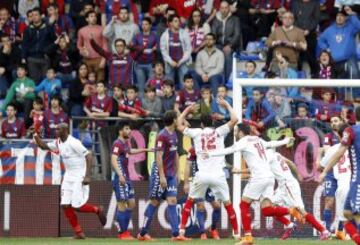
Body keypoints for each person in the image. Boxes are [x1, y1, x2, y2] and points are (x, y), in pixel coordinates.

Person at [203, 123, 301, 245]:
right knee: (267, 210)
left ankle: (248, 237)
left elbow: (229, 150)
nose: (234, 134)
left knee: (243, 205)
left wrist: (210, 153)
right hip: (270, 178)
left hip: (258, 178)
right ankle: (291, 211)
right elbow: (271, 144)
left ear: (241, 132)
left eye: (235, 131)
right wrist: (286, 140)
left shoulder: (243, 141)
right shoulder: (257, 139)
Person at [177, 99, 240, 239]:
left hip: (202, 175)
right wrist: (227, 105)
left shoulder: (197, 133)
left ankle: (181, 232)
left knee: (190, 201)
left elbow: (179, 125)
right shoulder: (219, 132)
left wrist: (187, 110)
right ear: (213, 122)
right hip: (218, 175)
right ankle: (237, 234)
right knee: (228, 204)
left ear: (201, 124)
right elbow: (235, 119)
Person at [33, 123, 107, 239]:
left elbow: (89, 155)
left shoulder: (74, 142)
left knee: (76, 206)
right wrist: (35, 135)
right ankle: (79, 233)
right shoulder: (58, 142)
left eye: (59, 129)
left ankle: (97, 210)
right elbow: (43, 146)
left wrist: (87, 176)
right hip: (68, 176)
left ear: (66, 130)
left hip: (79, 175)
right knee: (65, 205)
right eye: (56, 129)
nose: (56, 131)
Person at [137, 110, 190, 241]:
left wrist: (178, 172)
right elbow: (158, 156)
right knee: (154, 201)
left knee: (173, 201)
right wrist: (161, 176)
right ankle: (142, 233)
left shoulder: (174, 134)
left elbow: (176, 154)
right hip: (160, 173)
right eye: (177, 118)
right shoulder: (162, 135)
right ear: (173, 120)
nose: (179, 119)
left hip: (171, 174)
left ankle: (176, 234)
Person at [319, 106, 360, 245]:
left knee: (351, 214)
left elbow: (323, 163)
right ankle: (339, 232)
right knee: (347, 214)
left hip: (353, 182)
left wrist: (324, 171)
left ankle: (333, 231)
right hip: (350, 182)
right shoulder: (340, 142)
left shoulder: (346, 138)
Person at [268, 149, 330, 240]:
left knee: (301, 211)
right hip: (283, 186)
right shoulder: (277, 154)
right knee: (269, 207)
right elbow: (291, 163)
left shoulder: (266, 157)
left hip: (288, 185)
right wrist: (298, 175)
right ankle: (289, 225)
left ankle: (324, 231)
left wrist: (242, 172)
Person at [111, 122, 151, 240]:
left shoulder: (125, 143)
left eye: (129, 128)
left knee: (131, 203)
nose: (129, 131)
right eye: (126, 129)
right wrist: (120, 175)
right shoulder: (117, 144)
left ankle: (123, 228)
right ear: (120, 131)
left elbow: (130, 151)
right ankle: (122, 233)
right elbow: (113, 159)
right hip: (120, 178)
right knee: (122, 204)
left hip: (127, 178)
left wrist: (146, 149)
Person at [319, 123, 351, 240]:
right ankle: (331, 231)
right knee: (347, 209)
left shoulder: (333, 149)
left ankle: (341, 231)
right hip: (349, 181)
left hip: (343, 180)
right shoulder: (354, 146)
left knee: (344, 209)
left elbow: (321, 165)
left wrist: (322, 171)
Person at [183, 147, 222, 240]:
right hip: (198, 181)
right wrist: (186, 183)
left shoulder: (213, 147)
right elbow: (187, 165)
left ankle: (213, 229)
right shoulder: (193, 149)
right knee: (200, 206)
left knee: (217, 206)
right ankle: (202, 232)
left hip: (210, 181)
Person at [316, 115, 344, 233]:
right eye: (332, 121)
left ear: (341, 122)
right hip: (331, 172)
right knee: (329, 200)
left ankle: (341, 231)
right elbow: (328, 152)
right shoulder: (328, 137)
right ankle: (326, 231)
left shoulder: (347, 136)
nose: (333, 123)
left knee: (344, 201)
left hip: (344, 172)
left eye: (336, 121)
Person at [318, 7, 360, 80]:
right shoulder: (329, 30)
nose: (339, 17)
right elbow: (320, 40)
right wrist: (326, 48)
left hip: (349, 59)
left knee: (354, 75)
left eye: (342, 16)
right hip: (334, 61)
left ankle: (356, 92)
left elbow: (359, 26)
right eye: (338, 16)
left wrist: (352, 15)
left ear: (346, 18)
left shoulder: (350, 28)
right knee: (337, 83)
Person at [22, 7, 56, 84]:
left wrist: (50, 25)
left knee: (47, 81)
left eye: (36, 15)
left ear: (41, 16)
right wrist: (23, 57)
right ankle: (36, 96)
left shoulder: (48, 27)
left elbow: (54, 41)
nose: (34, 17)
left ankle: (46, 96)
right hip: (32, 58)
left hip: (45, 58)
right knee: (34, 81)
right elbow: (24, 44)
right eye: (32, 15)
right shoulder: (28, 29)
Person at [211, 0, 241, 81]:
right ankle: (216, 80)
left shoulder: (235, 19)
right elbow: (213, 36)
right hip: (218, 45)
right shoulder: (216, 20)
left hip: (231, 45)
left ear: (229, 9)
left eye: (226, 8)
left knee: (227, 55)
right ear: (219, 9)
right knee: (214, 54)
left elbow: (237, 35)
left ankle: (228, 81)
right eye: (222, 8)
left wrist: (230, 45)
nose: (224, 10)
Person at [160, 14, 192, 88]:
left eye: (178, 21)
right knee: (168, 84)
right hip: (170, 62)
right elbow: (163, 51)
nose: (178, 23)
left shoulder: (184, 33)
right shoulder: (164, 35)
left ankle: (183, 97)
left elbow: (188, 49)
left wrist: (180, 61)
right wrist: (171, 62)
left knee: (185, 84)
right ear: (170, 23)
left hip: (183, 61)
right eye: (175, 21)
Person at [77, 10, 107, 81]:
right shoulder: (81, 31)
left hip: (99, 59)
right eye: (91, 16)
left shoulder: (102, 29)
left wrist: (103, 60)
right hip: (86, 60)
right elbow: (79, 45)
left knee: (100, 81)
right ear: (87, 19)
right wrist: (82, 51)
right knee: (88, 82)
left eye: (95, 16)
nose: (94, 18)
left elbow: (105, 45)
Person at [131, 17, 157, 96]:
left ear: (150, 25)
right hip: (139, 64)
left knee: (151, 86)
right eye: (142, 24)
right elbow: (132, 47)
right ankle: (141, 104)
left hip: (151, 64)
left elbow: (159, 47)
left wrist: (156, 47)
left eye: (146, 24)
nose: (144, 26)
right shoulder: (137, 36)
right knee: (141, 86)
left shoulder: (155, 36)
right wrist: (141, 48)